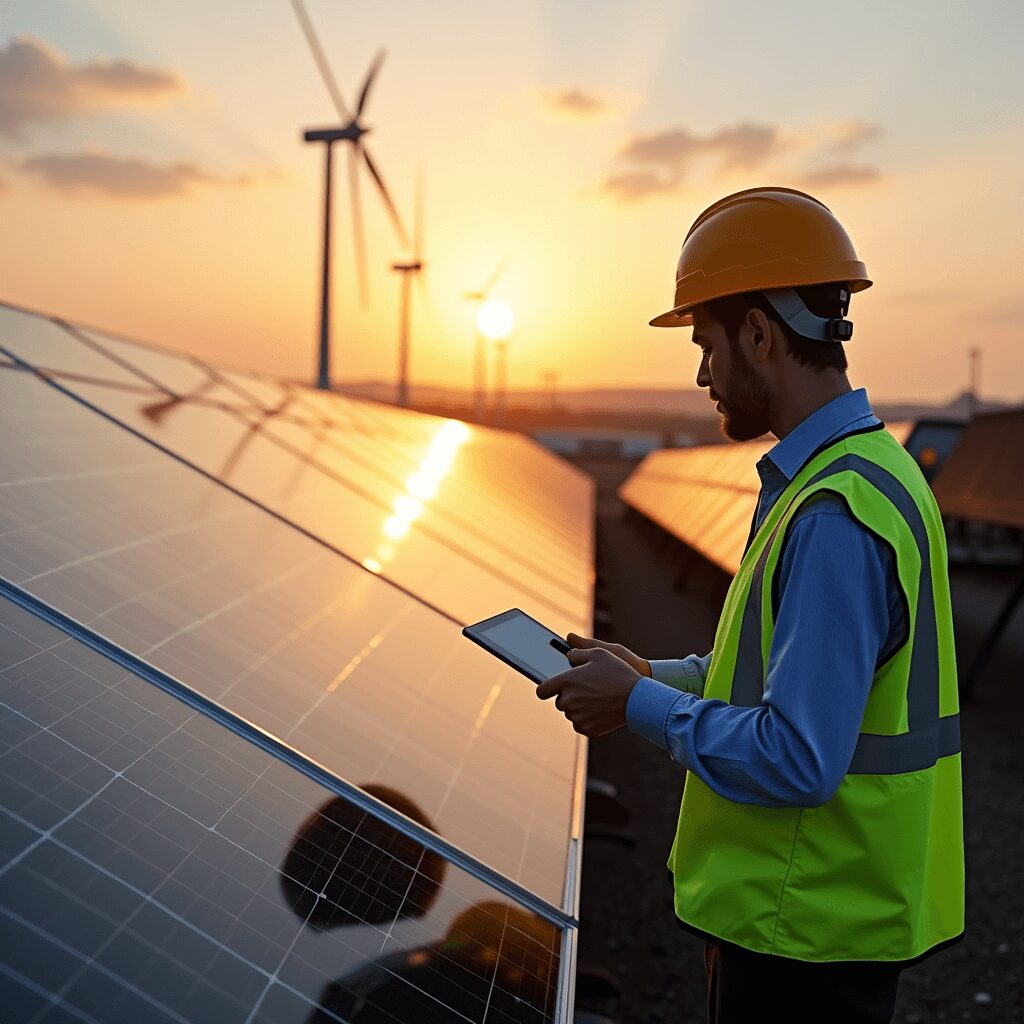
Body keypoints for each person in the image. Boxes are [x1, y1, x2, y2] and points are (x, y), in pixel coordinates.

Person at [536, 187, 965, 1024]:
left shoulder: (834, 515)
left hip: (802, 932)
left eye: (706, 344)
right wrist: (649, 673)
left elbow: (798, 755)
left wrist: (639, 708)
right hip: (824, 917)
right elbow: (780, 673)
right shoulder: (871, 472)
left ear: (761, 336)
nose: (700, 374)